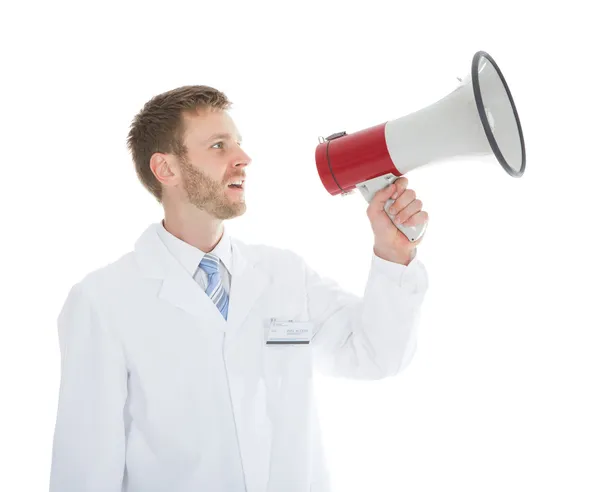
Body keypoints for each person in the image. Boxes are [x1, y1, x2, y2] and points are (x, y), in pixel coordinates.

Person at [49, 85, 430, 492]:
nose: (243, 159)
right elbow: (84, 473)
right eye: (218, 145)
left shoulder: (283, 274)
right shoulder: (102, 302)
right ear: (166, 169)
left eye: (239, 143)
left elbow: (375, 356)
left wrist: (393, 255)